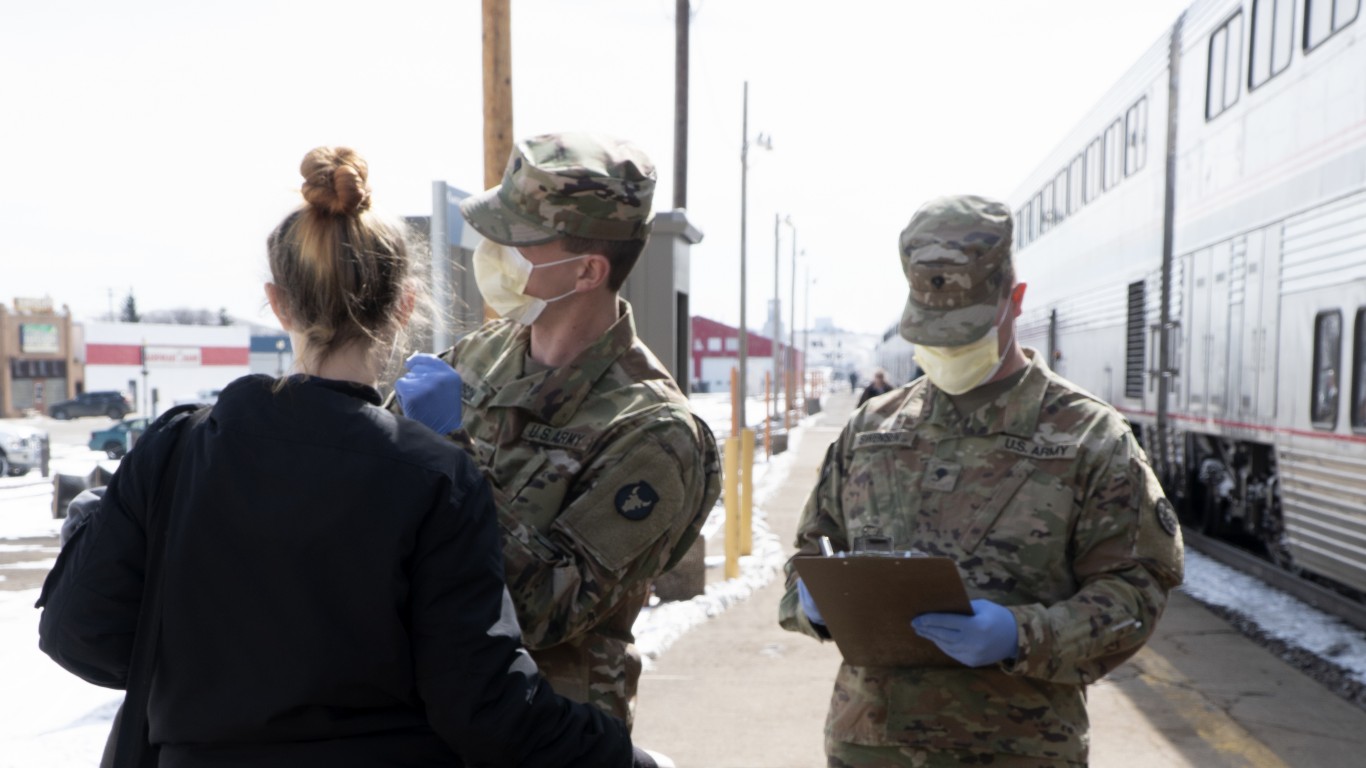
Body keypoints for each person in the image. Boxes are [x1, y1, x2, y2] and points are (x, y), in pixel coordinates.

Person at [37, 146, 656, 767]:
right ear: (405, 305)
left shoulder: (175, 450)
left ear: (278, 303)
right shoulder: (435, 475)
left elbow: (82, 636)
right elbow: (480, 702)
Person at [778, 195, 1184, 767]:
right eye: (931, 334)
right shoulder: (872, 428)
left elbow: (1135, 594)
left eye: (963, 334)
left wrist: (1021, 635)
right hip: (869, 743)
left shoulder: (1088, 436)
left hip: (1016, 749)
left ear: (1014, 302)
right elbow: (808, 553)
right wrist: (810, 601)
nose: (944, 350)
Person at [392, 132, 721, 727]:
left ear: (588, 270)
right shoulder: (478, 356)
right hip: (427, 715)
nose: (492, 251)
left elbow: (544, 606)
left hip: (547, 729)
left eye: (517, 242)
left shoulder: (656, 432)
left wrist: (448, 452)